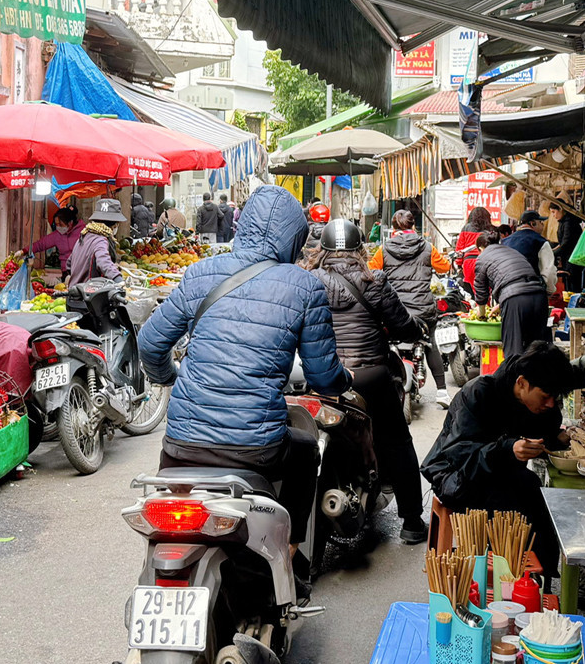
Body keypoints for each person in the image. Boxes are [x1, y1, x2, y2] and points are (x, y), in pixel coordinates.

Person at [138, 184, 348, 568]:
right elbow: (322, 376)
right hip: (254, 449)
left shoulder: (200, 272)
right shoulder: (304, 286)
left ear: (244, 224)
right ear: (295, 237)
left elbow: (150, 344)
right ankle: (290, 553)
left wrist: (169, 377)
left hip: (181, 444)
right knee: (304, 451)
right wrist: (343, 381)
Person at [313, 219, 426, 544]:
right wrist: (414, 328)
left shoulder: (310, 280)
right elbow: (403, 325)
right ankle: (412, 522)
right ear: (359, 248)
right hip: (370, 375)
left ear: (323, 250)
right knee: (397, 440)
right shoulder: (373, 279)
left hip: (322, 377)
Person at [421, 341, 579, 570]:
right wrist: (508, 449)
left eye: (556, 398)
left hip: (496, 471)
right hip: (455, 475)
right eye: (545, 396)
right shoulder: (478, 393)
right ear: (522, 383)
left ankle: (539, 578)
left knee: (537, 496)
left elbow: (545, 430)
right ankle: (503, 578)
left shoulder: (537, 402)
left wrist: (557, 439)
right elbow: (461, 455)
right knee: (511, 507)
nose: (551, 404)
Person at [370, 208, 449, 389]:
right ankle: (442, 391)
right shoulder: (428, 247)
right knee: (430, 343)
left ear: (393, 227)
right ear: (413, 225)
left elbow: (371, 272)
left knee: (381, 340)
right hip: (423, 309)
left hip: (394, 310)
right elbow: (445, 267)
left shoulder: (384, 249)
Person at [473, 214, 551, 358]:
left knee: (513, 352)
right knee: (537, 351)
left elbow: (481, 291)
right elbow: (516, 279)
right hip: (539, 296)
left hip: (515, 300)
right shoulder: (511, 251)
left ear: (481, 247)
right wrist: (501, 305)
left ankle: (514, 379)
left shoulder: (482, 258)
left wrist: (482, 314)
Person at [67, 198, 126, 285]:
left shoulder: (84, 236)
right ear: (115, 225)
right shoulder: (100, 240)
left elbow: (69, 264)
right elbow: (103, 261)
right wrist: (118, 279)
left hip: (74, 292)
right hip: (87, 294)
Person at [29, 206, 80, 273]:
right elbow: (40, 244)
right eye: (56, 224)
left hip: (79, 272)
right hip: (65, 271)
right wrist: (23, 251)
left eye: (61, 224)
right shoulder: (57, 235)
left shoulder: (83, 232)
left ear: (70, 223)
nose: (58, 227)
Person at [550, 199, 583, 296]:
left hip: (573, 260)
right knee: (569, 289)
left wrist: (552, 253)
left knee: (573, 289)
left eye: (554, 212)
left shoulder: (569, 222)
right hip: (568, 259)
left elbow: (566, 244)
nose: (553, 215)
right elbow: (561, 243)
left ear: (561, 209)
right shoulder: (563, 221)